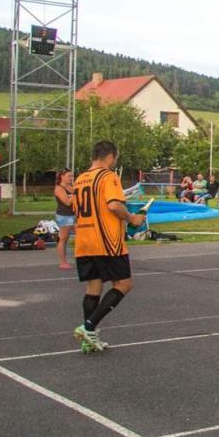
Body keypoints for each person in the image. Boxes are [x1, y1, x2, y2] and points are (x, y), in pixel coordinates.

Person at [71, 140, 147, 354]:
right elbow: (113, 205)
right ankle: (88, 327)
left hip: (84, 239)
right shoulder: (108, 176)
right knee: (124, 284)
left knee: (93, 286)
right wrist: (131, 218)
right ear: (111, 156)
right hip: (106, 240)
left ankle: (89, 339)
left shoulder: (80, 179)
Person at [54, 169, 75, 271]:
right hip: (64, 216)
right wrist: (77, 193)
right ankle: (63, 262)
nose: (71, 178)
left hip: (74, 215)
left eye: (72, 176)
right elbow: (67, 202)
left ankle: (84, 257)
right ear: (62, 176)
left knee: (82, 235)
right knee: (63, 238)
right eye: (69, 176)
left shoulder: (72, 187)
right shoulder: (59, 188)